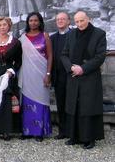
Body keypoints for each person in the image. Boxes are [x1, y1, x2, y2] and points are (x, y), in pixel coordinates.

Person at [61, 11, 106, 149]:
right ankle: (74, 136)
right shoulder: (71, 34)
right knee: (74, 106)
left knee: (88, 107)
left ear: (89, 19)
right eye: (77, 21)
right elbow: (64, 55)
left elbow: (100, 57)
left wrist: (83, 68)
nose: (79, 24)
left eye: (82, 20)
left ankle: (89, 139)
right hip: (74, 76)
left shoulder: (99, 34)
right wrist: (71, 68)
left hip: (90, 76)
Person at [18, 12, 53, 142]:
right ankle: (27, 131)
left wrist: (48, 74)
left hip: (41, 74)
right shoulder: (23, 37)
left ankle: (39, 131)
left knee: (40, 101)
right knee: (27, 102)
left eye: (36, 20)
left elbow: (50, 56)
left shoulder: (45, 36)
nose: (33, 23)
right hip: (27, 74)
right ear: (27, 22)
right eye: (31, 20)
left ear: (40, 22)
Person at [50, 12, 71, 139]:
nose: (60, 21)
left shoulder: (74, 35)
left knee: (73, 104)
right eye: (58, 19)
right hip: (59, 77)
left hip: (72, 76)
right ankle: (63, 131)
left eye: (63, 19)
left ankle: (74, 130)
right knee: (61, 105)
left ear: (69, 21)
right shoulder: (52, 38)